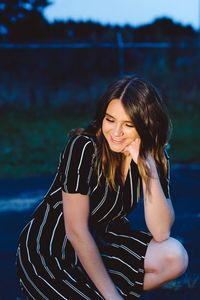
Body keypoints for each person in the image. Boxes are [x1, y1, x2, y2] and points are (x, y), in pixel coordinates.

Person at [16, 76, 188, 299]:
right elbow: (76, 231)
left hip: (103, 244)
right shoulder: (84, 148)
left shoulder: (155, 157)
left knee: (175, 256)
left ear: (147, 124)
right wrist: (112, 296)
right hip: (51, 252)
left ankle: (95, 290)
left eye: (128, 125)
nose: (116, 133)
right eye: (110, 120)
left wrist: (149, 170)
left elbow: (161, 232)